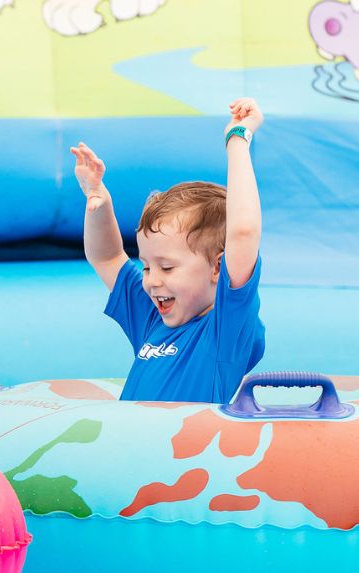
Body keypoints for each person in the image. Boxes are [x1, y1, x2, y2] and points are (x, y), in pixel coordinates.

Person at [71, 98, 266, 403]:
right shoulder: (153, 319)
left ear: (217, 268)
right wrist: (98, 199)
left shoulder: (224, 331)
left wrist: (237, 138)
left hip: (181, 451)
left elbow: (243, 232)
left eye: (167, 267)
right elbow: (107, 257)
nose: (151, 280)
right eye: (147, 266)